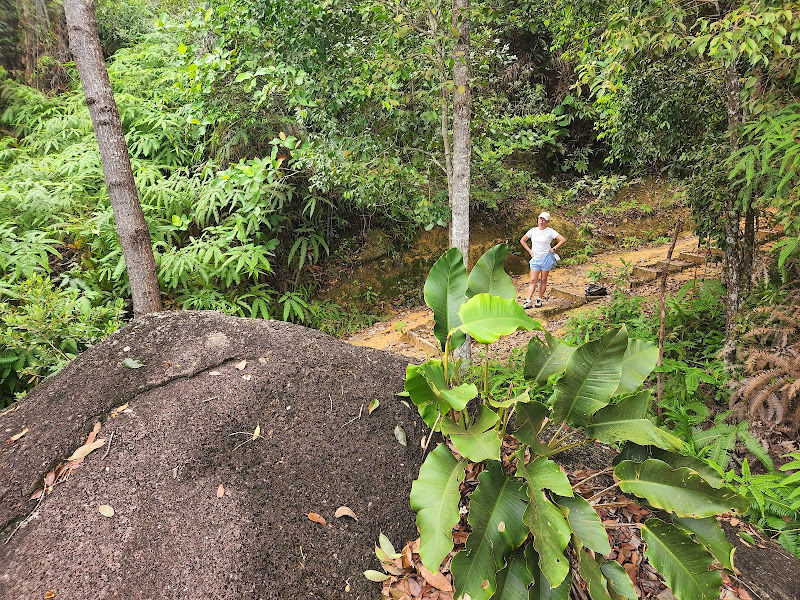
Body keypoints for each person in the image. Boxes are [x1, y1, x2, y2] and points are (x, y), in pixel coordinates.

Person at [520, 211, 566, 309]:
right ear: (538, 220)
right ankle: (528, 300)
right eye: (540, 219)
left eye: (544, 220)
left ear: (547, 222)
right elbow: (523, 240)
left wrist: (554, 248)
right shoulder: (533, 231)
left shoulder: (550, 231)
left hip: (546, 258)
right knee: (532, 280)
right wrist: (530, 251)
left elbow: (562, 239)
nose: (541, 221)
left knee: (543, 280)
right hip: (535, 258)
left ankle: (539, 299)